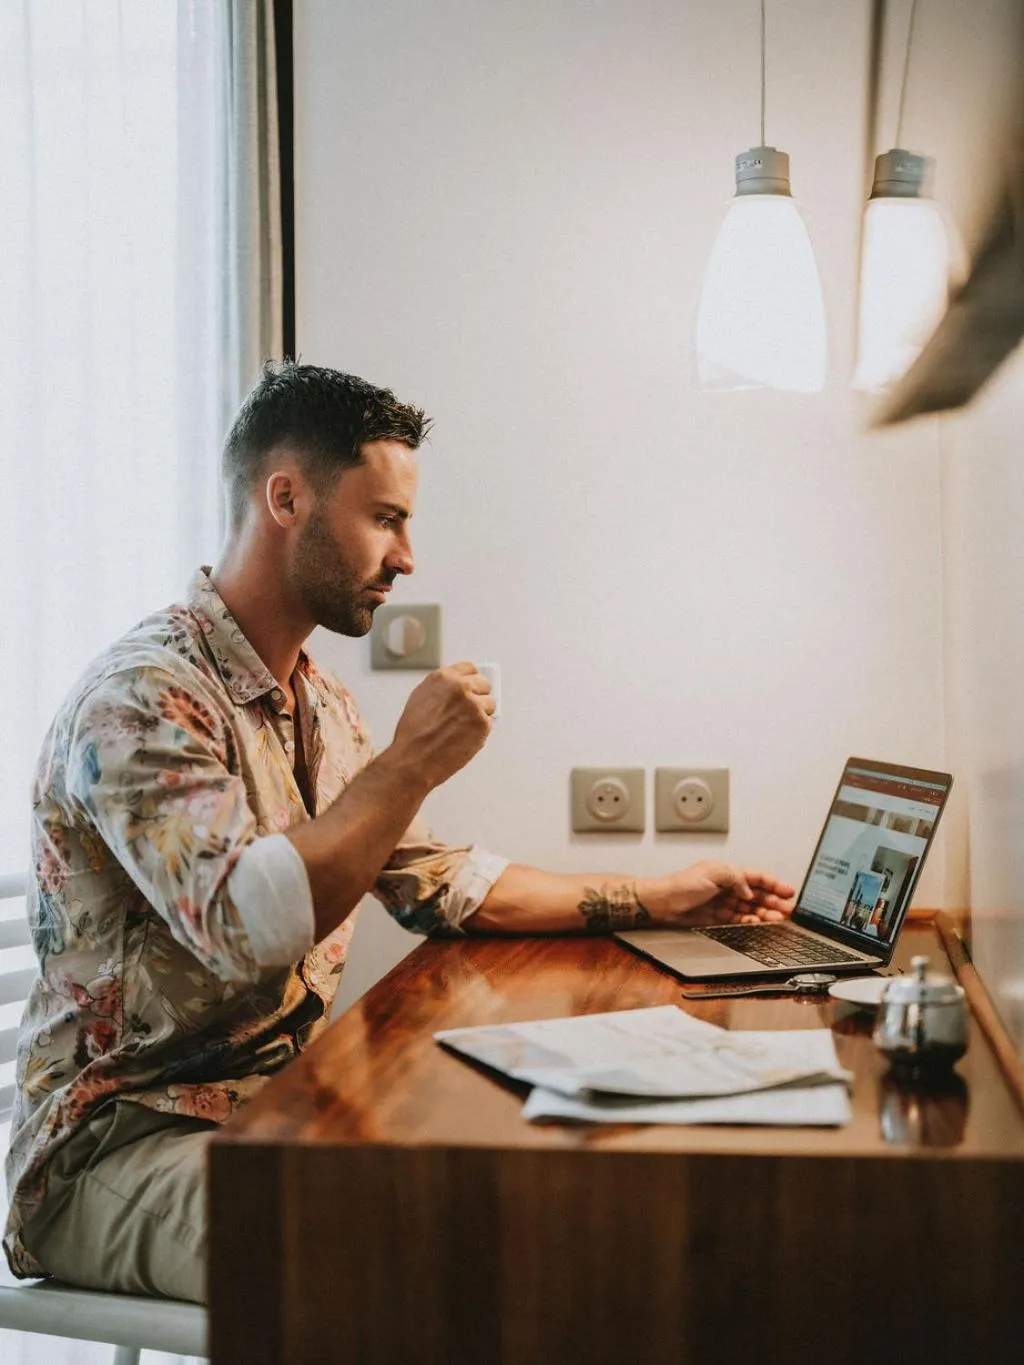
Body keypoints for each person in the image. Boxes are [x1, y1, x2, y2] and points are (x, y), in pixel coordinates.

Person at [3, 362, 795, 1303]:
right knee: (403, 1261)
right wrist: (412, 760)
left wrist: (657, 895)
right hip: (118, 1148)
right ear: (286, 497)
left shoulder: (322, 704)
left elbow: (441, 881)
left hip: (279, 1109)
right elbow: (249, 924)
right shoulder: (141, 698)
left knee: (530, 1185)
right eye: (384, 518)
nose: (408, 556)